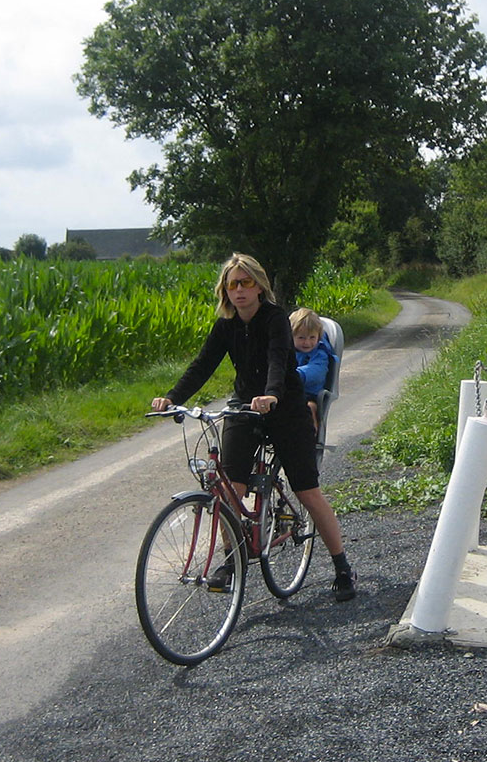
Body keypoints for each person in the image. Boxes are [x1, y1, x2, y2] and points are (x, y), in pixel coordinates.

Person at [151, 254, 356, 601]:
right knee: (229, 489)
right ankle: (232, 561)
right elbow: (202, 365)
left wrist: (273, 395)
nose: (240, 290)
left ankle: (342, 566)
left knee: (307, 489)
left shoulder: (275, 320)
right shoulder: (225, 326)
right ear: (225, 291)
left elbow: (279, 359)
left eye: (247, 282)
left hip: (286, 410)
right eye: (233, 284)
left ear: (260, 287)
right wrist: (173, 397)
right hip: (245, 408)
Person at [290, 306, 336, 424]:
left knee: (309, 407)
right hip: (288, 392)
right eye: (301, 338)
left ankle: (312, 437)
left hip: (310, 393)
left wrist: (296, 375)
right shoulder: (287, 351)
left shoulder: (320, 353)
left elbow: (317, 371)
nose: (307, 342)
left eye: (312, 337)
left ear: (318, 337)